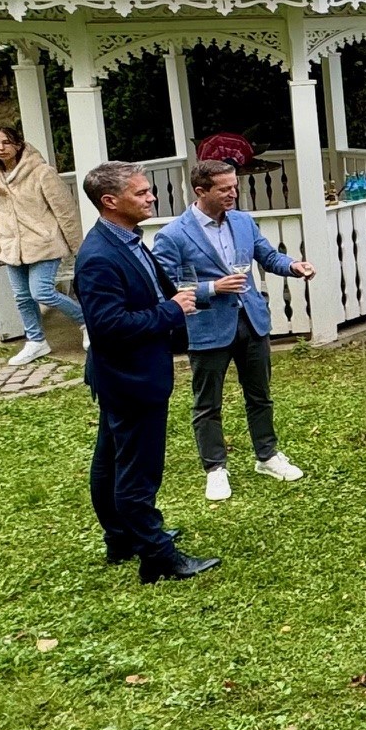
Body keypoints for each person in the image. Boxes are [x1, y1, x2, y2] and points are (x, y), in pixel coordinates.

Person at [76, 161, 216, 584]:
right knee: (138, 469)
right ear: (110, 201)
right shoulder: (99, 257)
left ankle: (121, 538)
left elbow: (152, 292)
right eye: (141, 193)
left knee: (110, 458)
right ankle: (157, 555)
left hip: (127, 373)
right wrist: (169, 311)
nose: (151, 197)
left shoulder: (127, 240)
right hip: (130, 375)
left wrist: (185, 298)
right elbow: (108, 327)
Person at [152, 159, 316, 502]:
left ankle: (267, 456)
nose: (233, 193)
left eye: (234, 186)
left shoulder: (243, 222)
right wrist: (213, 289)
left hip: (252, 321)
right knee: (207, 404)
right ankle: (215, 469)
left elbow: (268, 257)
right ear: (201, 192)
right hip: (207, 327)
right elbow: (163, 289)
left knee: (260, 395)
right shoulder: (174, 235)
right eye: (224, 189)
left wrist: (293, 266)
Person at [0, 126, 87, 366]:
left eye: (6, 142)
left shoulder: (41, 172)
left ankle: (86, 323)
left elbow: (65, 210)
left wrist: (76, 246)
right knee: (22, 297)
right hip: (11, 247)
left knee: (42, 292)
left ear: (18, 144)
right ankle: (36, 341)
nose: (1, 148)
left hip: (44, 244)